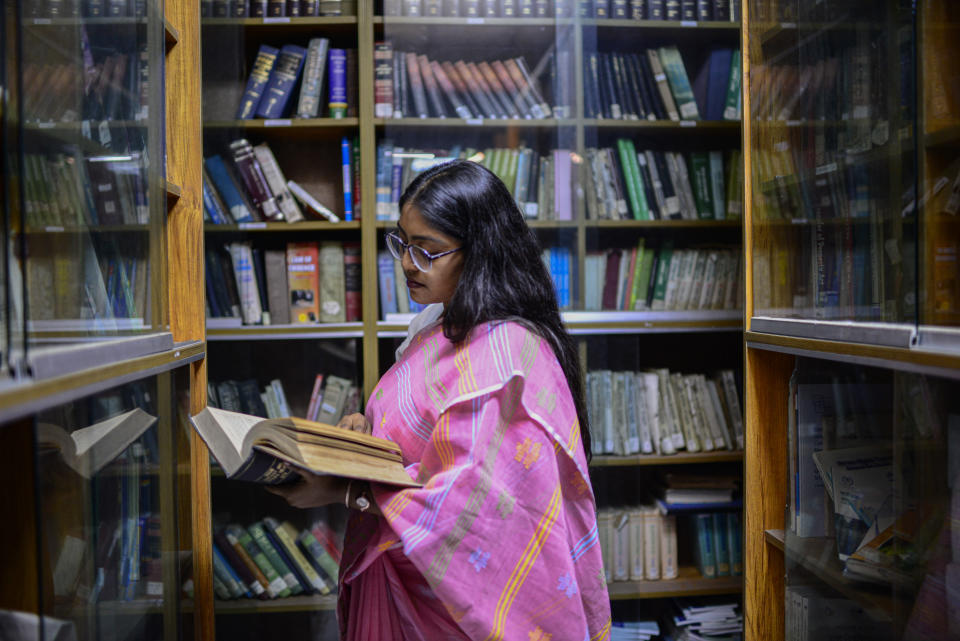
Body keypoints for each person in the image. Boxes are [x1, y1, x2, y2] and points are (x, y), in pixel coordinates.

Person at [270, 159, 612, 640]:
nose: (408, 263)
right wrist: (362, 434)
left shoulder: (509, 356)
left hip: (451, 617)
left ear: (480, 253)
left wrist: (347, 491)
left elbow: (475, 510)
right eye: (403, 244)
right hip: (404, 580)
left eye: (427, 250)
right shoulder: (438, 325)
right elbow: (420, 431)